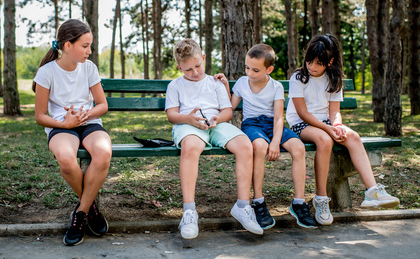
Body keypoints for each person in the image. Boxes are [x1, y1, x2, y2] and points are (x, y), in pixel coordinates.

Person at [286, 33, 400, 226]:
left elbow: (334, 112)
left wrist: (337, 125)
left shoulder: (334, 79)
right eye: (309, 61)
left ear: (330, 61)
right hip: (301, 124)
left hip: (325, 123)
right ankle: (321, 199)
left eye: (318, 63)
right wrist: (329, 130)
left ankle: (372, 192)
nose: (312, 67)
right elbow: (302, 113)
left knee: (353, 136)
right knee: (324, 140)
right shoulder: (299, 78)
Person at [165, 39, 263, 239]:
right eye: (187, 70)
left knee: (245, 145)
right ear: (179, 68)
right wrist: (189, 119)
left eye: (198, 66)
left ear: (203, 58)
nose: (194, 73)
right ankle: (189, 211)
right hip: (188, 125)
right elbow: (172, 115)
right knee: (191, 147)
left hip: (216, 124)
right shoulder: (175, 85)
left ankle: (243, 206)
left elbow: (227, 110)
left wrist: (217, 118)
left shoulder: (215, 82)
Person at [215, 44, 317, 230]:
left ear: (269, 69)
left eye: (255, 70)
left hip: (272, 125)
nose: (250, 73)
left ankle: (299, 202)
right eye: (247, 68)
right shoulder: (242, 83)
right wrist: (225, 86)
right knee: (260, 147)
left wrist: (276, 142)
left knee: (299, 148)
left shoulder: (276, 87)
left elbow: (279, 117)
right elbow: (229, 107)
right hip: (252, 125)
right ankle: (258, 202)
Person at [33, 19, 111, 246]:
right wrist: (67, 124)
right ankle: (92, 210)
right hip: (61, 126)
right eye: (85, 46)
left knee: (103, 153)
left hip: (89, 123)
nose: (90, 51)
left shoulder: (90, 68)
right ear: (68, 45)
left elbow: (102, 105)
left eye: (90, 46)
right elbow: (40, 116)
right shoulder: (46, 72)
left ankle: (80, 214)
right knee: (67, 160)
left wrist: (85, 115)